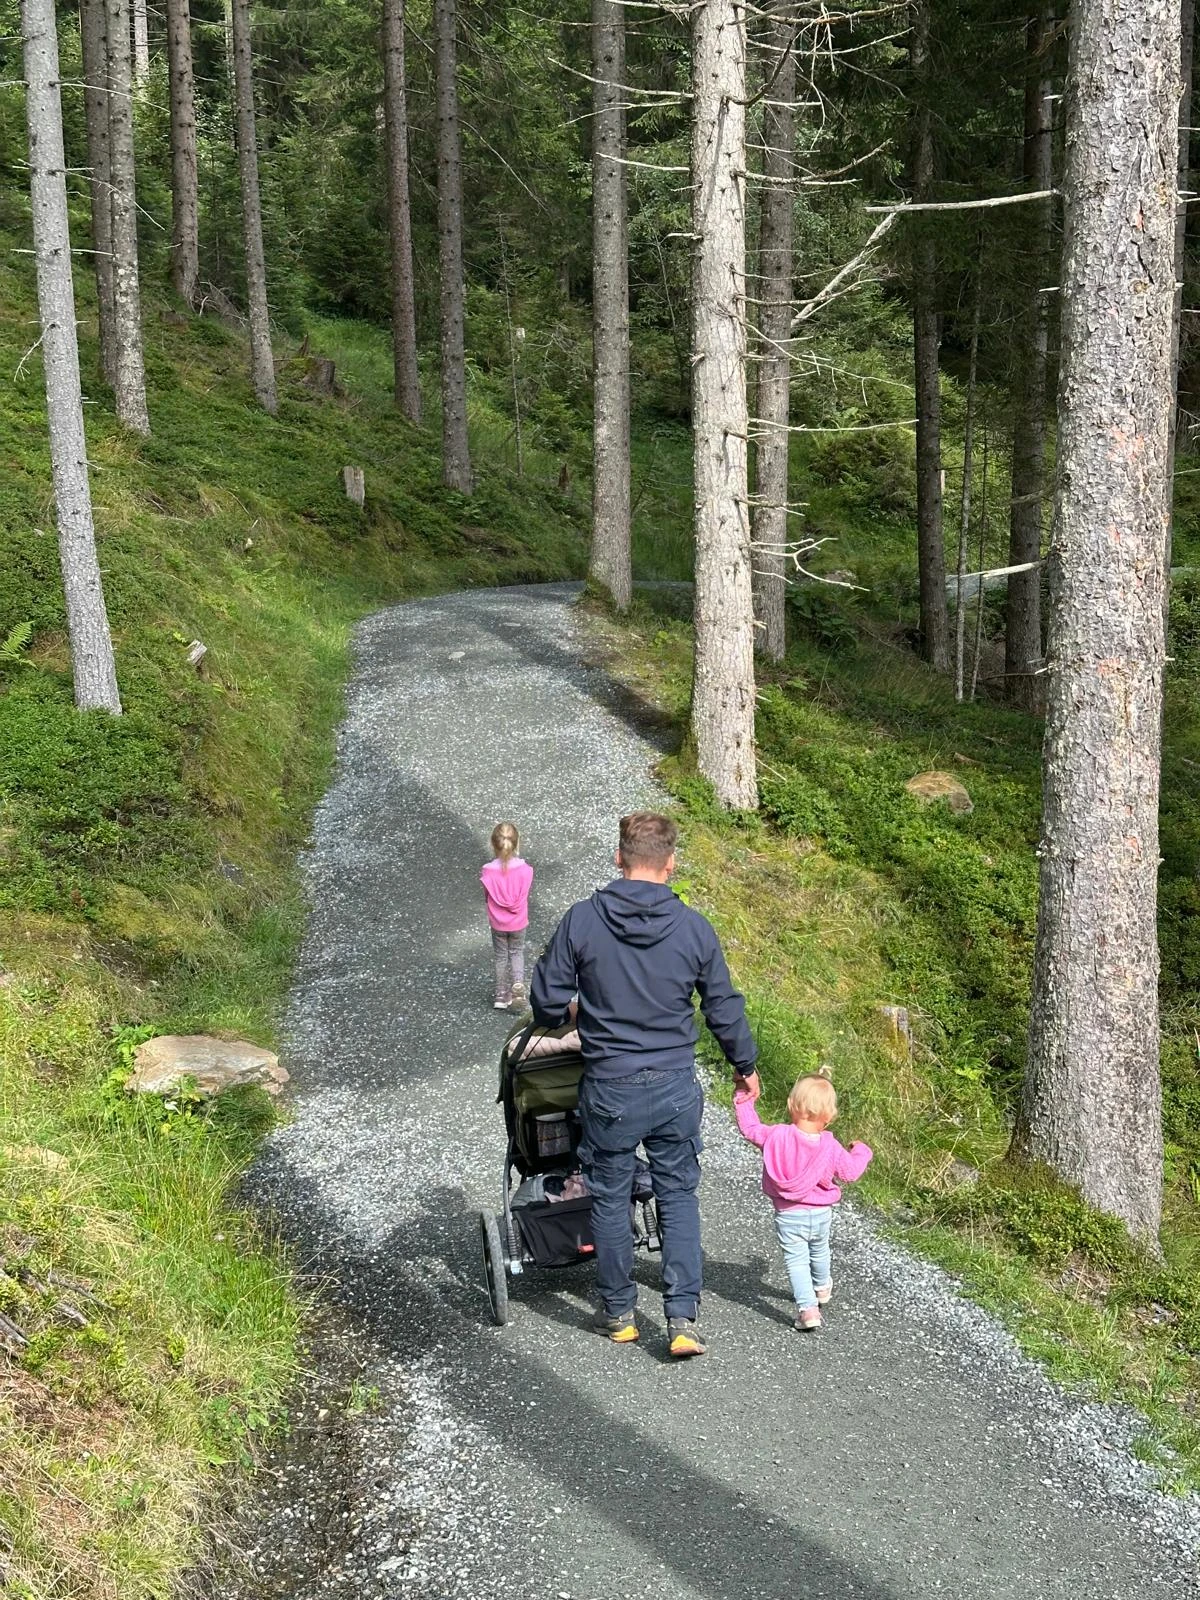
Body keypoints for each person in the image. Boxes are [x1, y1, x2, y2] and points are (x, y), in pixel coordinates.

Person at [530, 811, 759, 1357]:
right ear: (671, 863)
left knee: (609, 1196)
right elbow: (722, 1006)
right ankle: (681, 1319)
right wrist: (744, 1065)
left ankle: (619, 1313)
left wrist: (580, 1009)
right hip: (675, 1084)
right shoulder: (694, 927)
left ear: (619, 858)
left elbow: (544, 1003)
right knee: (677, 1194)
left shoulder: (582, 921)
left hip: (611, 1086)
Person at [734, 1067, 872, 1331]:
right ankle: (821, 1288)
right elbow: (850, 1173)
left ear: (791, 1105)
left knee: (796, 1261)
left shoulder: (776, 1136)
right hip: (821, 1214)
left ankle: (808, 1310)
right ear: (830, 1116)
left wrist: (744, 1096)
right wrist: (862, 1151)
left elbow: (750, 1128)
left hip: (788, 1214)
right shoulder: (830, 1146)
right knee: (820, 1250)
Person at [481, 822, 533, 1011]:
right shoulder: (525, 870)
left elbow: (487, 896)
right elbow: (525, 893)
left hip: (498, 923)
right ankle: (518, 986)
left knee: (501, 956)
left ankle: (501, 995)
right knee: (517, 952)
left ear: (493, 844)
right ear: (517, 843)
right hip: (518, 921)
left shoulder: (488, 870)